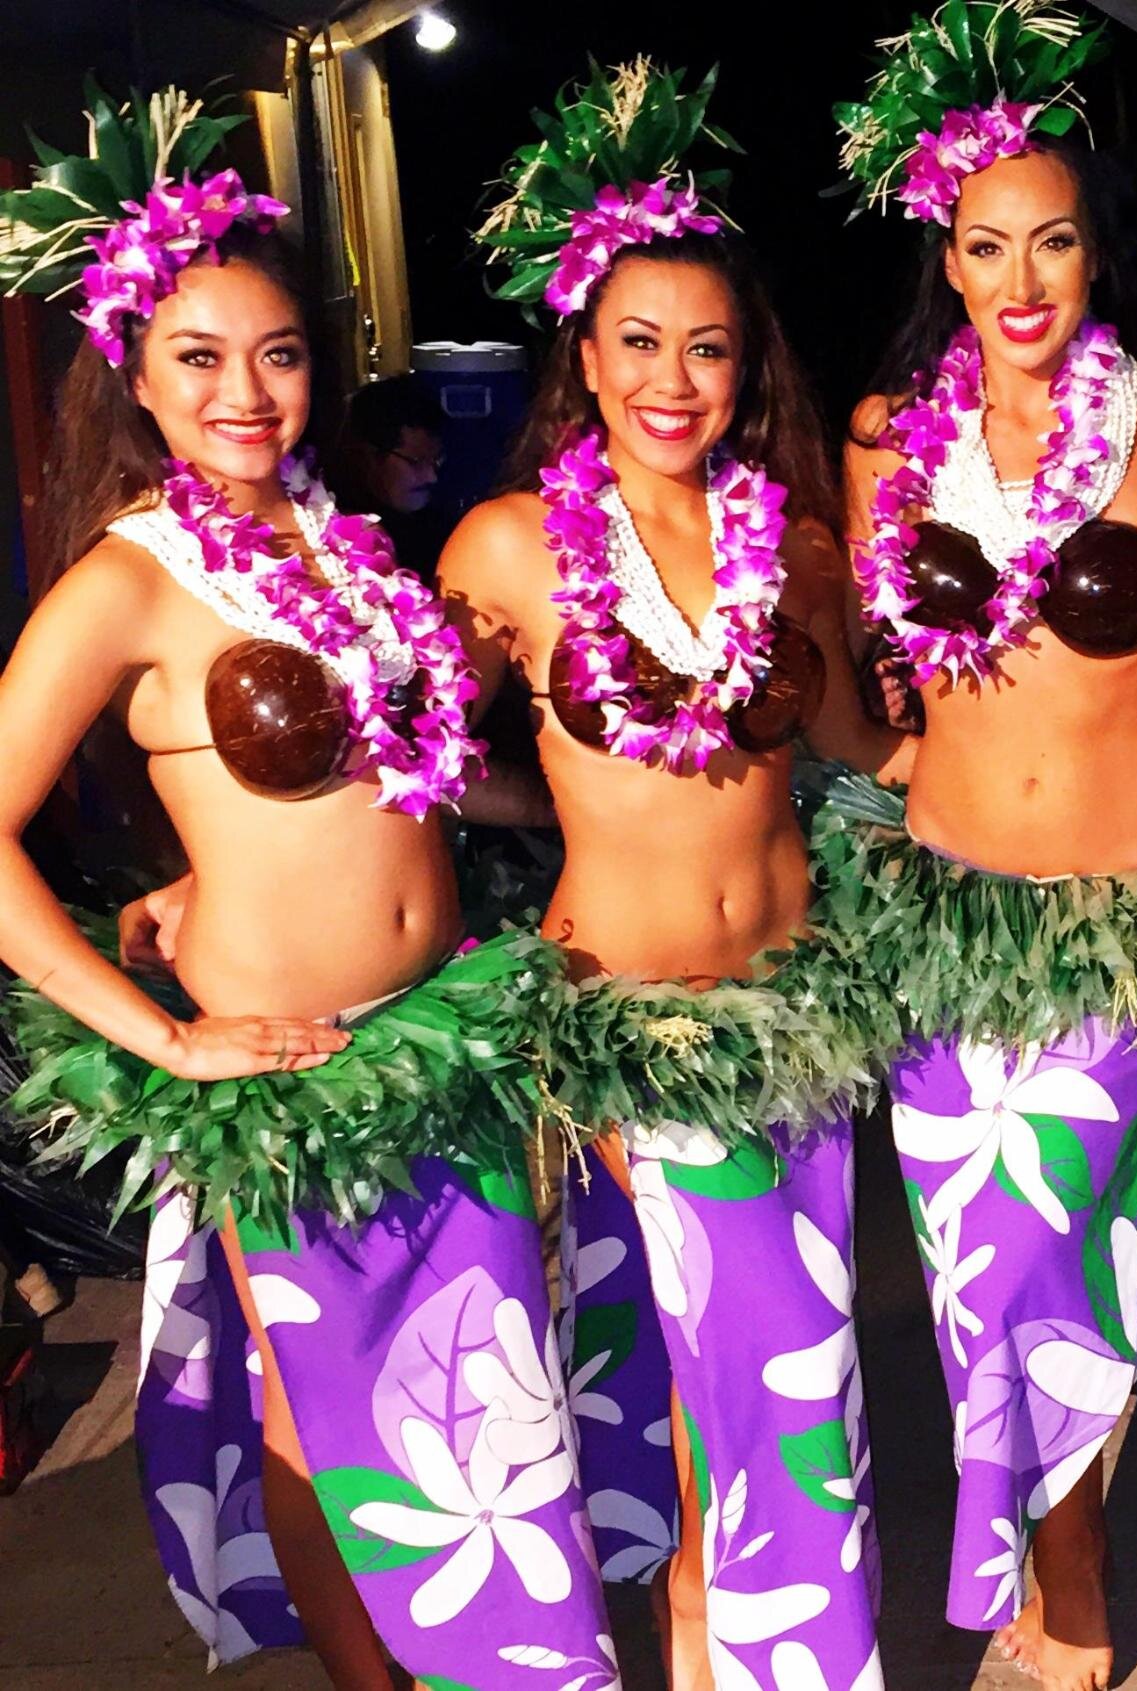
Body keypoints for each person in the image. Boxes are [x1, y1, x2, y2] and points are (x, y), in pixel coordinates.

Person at [0, 85, 617, 1688]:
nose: (245, 392)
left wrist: (606, 803)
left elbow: (399, 781)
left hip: (439, 1034)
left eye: (276, 354)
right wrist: (163, 1036)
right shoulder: (127, 578)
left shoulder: (342, 543)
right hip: (291, 1067)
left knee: (475, 1408)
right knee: (329, 1417)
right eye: (199, 357)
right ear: (136, 369)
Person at [451, 56, 903, 1691]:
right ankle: (752, 1652)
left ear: (742, 366)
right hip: (624, 1021)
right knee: (739, 1384)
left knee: (767, 1378)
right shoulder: (510, 547)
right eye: (637, 341)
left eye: (706, 347)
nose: (672, 377)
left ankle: (715, 1640)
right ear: (584, 355)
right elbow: (402, 753)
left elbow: (863, 749)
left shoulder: (796, 550)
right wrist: (538, 804)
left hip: (794, 1017)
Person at [829, 5, 1137, 1686]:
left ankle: (1068, 1566)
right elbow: (875, 668)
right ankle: (1054, 1558)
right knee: (969, 1279)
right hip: (946, 919)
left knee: (1073, 1261)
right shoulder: (884, 437)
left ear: (1093, 252)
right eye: (985, 244)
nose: (1020, 277)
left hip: (1126, 915)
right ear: (946, 256)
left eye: (1051, 239)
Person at [332, 374, 450, 579]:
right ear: (367, 456)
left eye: (437, 460)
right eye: (416, 461)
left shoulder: (441, 529)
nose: (432, 477)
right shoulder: (338, 535)